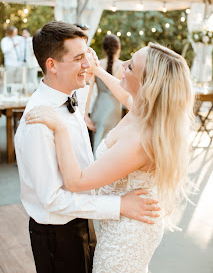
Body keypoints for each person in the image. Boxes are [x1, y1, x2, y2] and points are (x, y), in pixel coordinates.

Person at [26, 42, 194, 273]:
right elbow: (123, 93)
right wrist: (96, 70)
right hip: (120, 222)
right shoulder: (144, 110)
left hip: (127, 234)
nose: (123, 65)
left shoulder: (140, 140)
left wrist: (60, 127)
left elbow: (77, 181)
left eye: (131, 67)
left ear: (148, 85)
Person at [15, 21, 160, 273]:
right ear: (52, 65)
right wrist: (119, 205)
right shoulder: (38, 121)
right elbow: (51, 200)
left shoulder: (71, 93)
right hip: (58, 236)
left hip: (84, 223)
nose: (88, 65)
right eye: (79, 58)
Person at [85, 34, 124, 157]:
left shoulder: (96, 65)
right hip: (115, 109)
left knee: (97, 141)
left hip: (99, 107)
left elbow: (88, 90)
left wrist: (85, 115)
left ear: (103, 49)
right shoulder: (123, 66)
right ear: (119, 47)